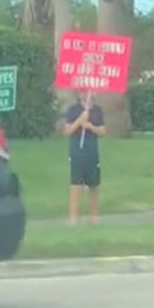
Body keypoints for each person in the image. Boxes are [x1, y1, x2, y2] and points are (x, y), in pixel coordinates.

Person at [63, 92, 106, 224]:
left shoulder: (98, 111)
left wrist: (90, 126)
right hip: (77, 152)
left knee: (93, 185)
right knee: (76, 184)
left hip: (92, 152)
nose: (85, 94)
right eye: (82, 92)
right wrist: (79, 121)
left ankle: (93, 217)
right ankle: (73, 217)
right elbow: (67, 131)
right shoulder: (73, 110)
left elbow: (102, 131)